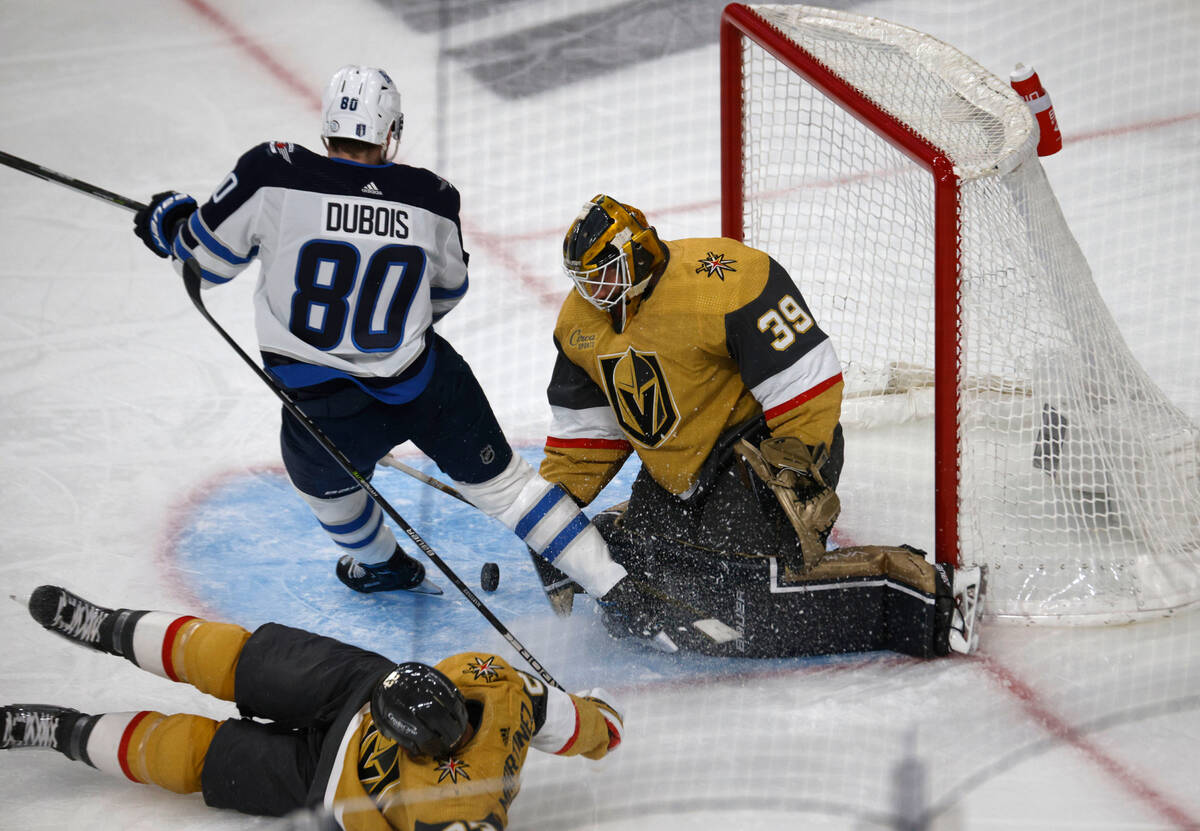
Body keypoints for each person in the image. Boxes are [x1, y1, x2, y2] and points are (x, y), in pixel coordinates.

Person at [129, 65, 647, 624]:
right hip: (424, 383)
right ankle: (624, 594)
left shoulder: (269, 172)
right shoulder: (431, 197)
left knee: (325, 488)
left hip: (323, 406)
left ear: (327, 127)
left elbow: (203, 264)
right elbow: (447, 291)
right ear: (389, 132)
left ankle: (383, 566)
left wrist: (173, 223)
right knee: (509, 488)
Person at [533, 194, 986, 658]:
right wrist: (551, 513)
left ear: (638, 252)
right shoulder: (579, 324)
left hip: (763, 452)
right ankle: (628, 528)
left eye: (605, 274)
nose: (595, 292)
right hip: (684, 473)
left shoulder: (725, 279)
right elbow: (586, 432)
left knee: (747, 601)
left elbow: (806, 381)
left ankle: (926, 594)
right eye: (585, 280)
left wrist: (798, 472)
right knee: (637, 569)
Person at [2, 585, 623, 830]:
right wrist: (604, 729)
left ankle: (66, 732)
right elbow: (567, 720)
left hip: (326, 788)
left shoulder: (457, 811)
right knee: (235, 657)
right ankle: (110, 627)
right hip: (357, 685)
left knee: (193, 757)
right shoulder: (485, 679)